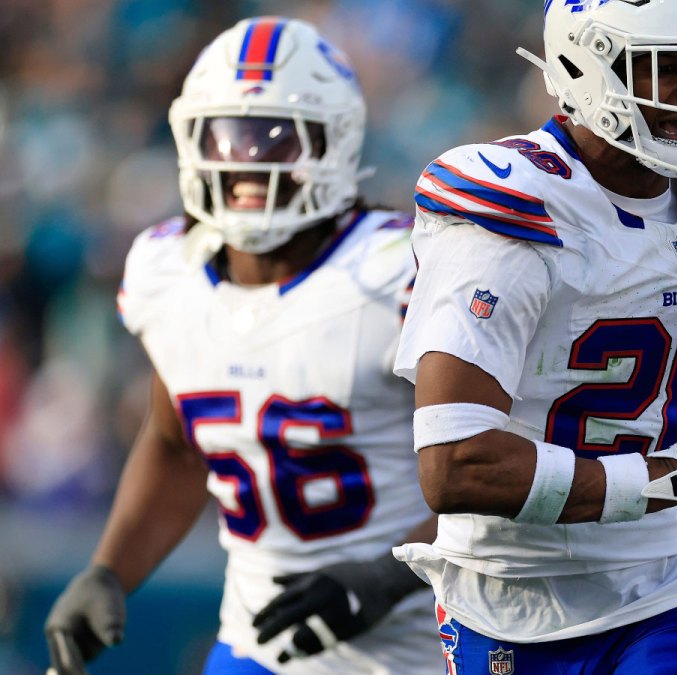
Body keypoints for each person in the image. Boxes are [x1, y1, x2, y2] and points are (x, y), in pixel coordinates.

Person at [43, 17, 442, 675]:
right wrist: (109, 569)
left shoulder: (403, 273)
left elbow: (496, 468)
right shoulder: (167, 272)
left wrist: (390, 574)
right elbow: (176, 444)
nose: (247, 159)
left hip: (424, 649)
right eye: (226, 135)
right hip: (256, 642)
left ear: (335, 142)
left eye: (278, 138)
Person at [389, 0, 677, 672]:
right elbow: (456, 463)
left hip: (661, 585)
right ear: (588, 65)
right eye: (668, 67)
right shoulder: (516, 209)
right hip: (507, 596)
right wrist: (666, 482)